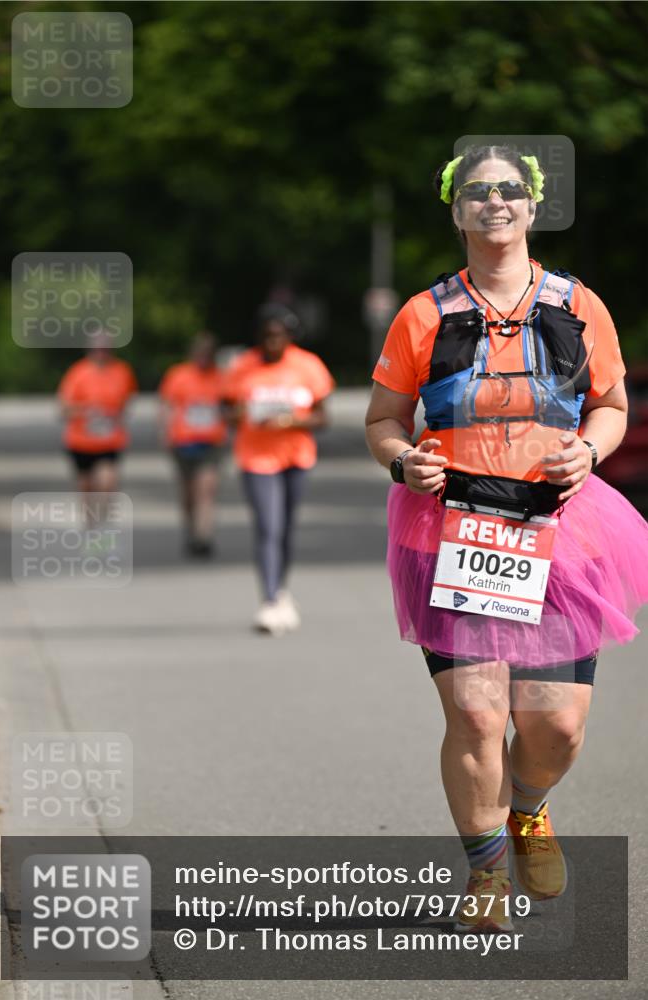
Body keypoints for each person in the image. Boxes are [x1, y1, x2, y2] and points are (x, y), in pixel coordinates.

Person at [365, 145, 648, 932]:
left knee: (554, 726)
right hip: (451, 532)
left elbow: (611, 405)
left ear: (531, 205)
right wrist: (403, 462)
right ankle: (485, 873)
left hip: (558, 533)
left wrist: (588, 450)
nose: (494, 200)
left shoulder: (577, 304)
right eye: (477, 190)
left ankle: (526, 808)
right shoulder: (422, 313)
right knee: (478, 715)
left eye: (510, 189)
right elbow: (383, 420)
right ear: (456, 211)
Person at [224, 303, 335, 635]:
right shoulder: (243, 366)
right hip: (256, 458)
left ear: (289, 336)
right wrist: (243, 413)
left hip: (296, 456)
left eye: (279, 335)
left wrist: (291, 420)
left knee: (285, 528)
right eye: (267, 335)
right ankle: (270, 600)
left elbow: (322, 417)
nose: (273, 341)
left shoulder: (308, 365)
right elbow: (226, 412)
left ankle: (281, 588)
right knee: (267, 527)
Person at [159, 333, 228, 556]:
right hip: (183, 442)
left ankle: (203, 537)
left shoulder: (221, 377)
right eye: (200, 353)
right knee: (188, 494)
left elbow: (231, 406)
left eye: (208, 353)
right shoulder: (178, 375)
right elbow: (166, 405)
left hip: (211, 442)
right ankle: (191, 530)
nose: (204, 358)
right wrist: (165, 433)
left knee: (206, 490)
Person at [58, 333, 138, 510]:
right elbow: (63, 409)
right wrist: (87, 411)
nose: (102, 353)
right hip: (81, 441)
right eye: (98, 349)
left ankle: (102, 512)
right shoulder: (77, 373)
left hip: (109, 441)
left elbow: (127, 401)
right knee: (86, 488)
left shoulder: (122, 371)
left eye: (106, 349)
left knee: (108, 483)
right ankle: (90, 520)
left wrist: (116, 415)